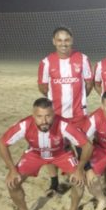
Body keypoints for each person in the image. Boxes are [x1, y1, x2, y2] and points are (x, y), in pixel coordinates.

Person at [0, 98, 92, 210]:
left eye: (48, 116)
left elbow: (88, 145)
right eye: (39, 117)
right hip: (35, 154)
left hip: (61, 153)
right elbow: (1, 143)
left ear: (54, 114)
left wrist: (80, 169)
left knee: (79, 181)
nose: (44, 121)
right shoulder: (25, 124)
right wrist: (12, 169)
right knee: (12, 183)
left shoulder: (63, 124)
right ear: (33, 115)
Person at [38, 26, 93, 193]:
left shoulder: (82, 59)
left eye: (67, 40)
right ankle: (54, 182)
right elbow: (42, 87)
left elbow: (89, 83)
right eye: (60, 40)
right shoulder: (46, 63)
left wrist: (80, 99)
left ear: (72, 41)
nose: (63, 43)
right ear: (54, 42)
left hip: (78, 115)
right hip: (57, 116)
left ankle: (82, 174)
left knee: (82, 147)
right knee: (53, 148)